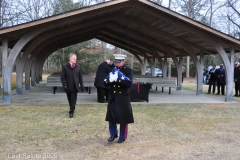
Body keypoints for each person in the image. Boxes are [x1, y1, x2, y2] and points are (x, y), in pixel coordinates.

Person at [104, 54, 134, 143]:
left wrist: (117, 79)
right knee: (111, 116)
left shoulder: (128, 70)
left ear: (124, 61)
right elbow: (105, 83)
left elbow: (129, 84)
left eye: (119, 62)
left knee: (123, 117)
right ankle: (113, 134)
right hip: (113, 96)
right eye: (116, 62)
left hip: (123, 97)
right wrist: (110, 80)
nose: (118, 63)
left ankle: (122, 136)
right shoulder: (112, 70)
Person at [61, 53, 84, 118]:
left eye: (76, 59)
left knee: (73, 99)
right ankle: (72, 107)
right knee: (69, 98)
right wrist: (64, 85)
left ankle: (71, 111)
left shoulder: (78, 66)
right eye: (74, 59)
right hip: (68, 86)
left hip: (75, 86)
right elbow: (62, 77)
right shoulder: (65, 66)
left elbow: (80, 77)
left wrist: (82, 85)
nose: (75, 60)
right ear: (70, 59)